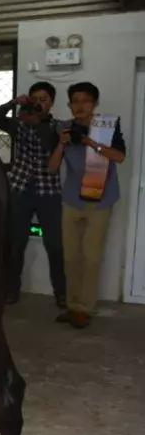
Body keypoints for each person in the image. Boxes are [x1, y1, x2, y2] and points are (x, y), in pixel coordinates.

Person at [47, 81, 126, 328]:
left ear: (94, 104)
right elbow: (52, 167)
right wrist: (61, 142)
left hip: (101, 199)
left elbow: (120, 157)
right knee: (70, 255)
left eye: (86, 101)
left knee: (91, 256)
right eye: (75, 101)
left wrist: (92, 142)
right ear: (69, 105)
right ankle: (72, 306)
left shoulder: (107, 126)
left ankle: (85, 308)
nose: (80, 106)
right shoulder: (63, 128)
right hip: (72, 199)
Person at [0, 81, 65, 306]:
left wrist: (38, 121)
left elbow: (49, 143)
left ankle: (61, 292)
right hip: (20, 188)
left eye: (44, 99)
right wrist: (13, 103)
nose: (39, 103)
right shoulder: (19, 124)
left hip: (48, 190)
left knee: (54, 244)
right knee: (16, 243)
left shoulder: (58, 127)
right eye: (36, 99)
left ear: (52, 103)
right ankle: (11, 290)